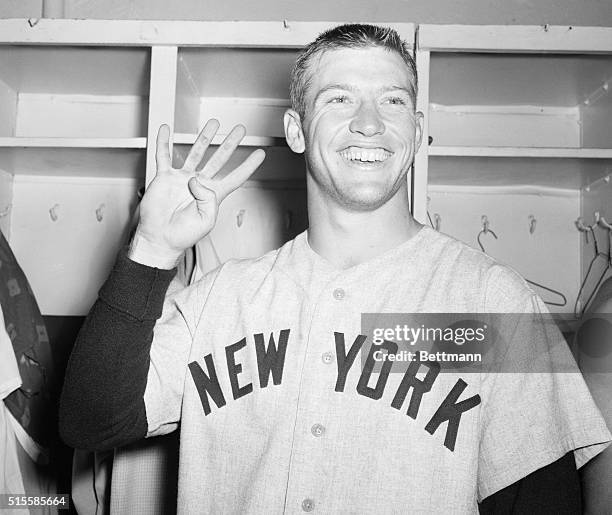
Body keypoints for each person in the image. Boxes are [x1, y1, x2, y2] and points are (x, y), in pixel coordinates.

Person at [60, 24, 610, 513]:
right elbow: (92, 420)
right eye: (340, 98)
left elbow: (540, 500)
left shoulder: (489, 299)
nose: (369, 123)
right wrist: (151, 249)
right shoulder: (220, 298)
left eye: (392, 101)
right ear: (296, 130)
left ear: (416, 132)